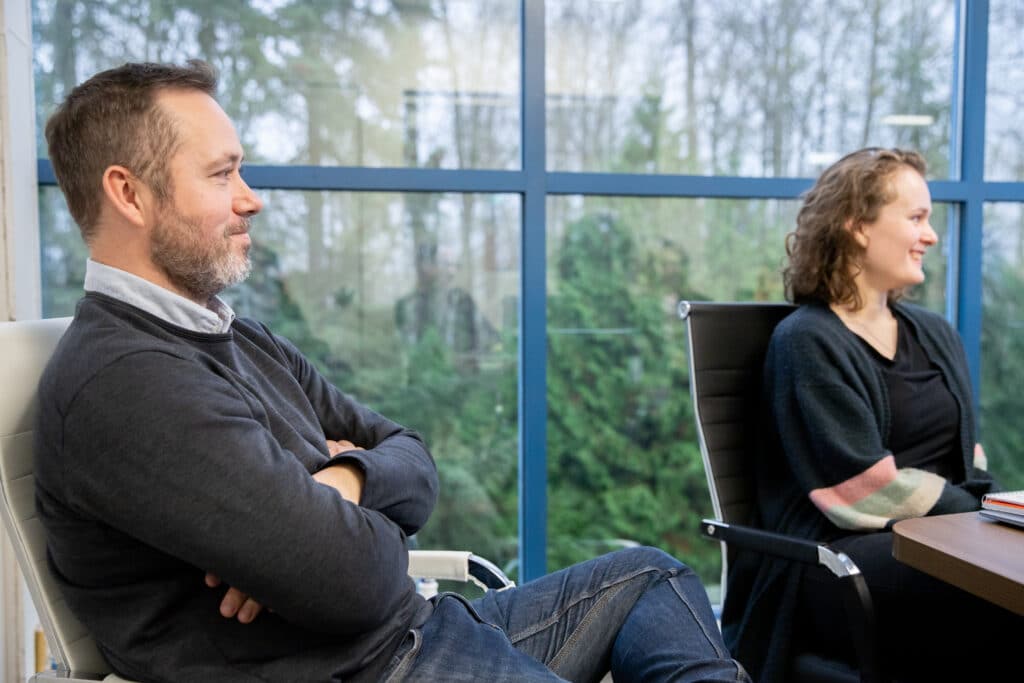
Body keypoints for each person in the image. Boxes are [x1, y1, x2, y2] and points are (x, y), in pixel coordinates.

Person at [34, 60, 748, 683]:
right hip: (365, 666)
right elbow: (359, 582)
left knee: (652, 574)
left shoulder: (235, 336)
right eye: (222, 174)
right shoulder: (126, 383)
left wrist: (343, 483)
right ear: (129, 193)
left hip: (414, 633)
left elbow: (412, 453)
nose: (251, 197)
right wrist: (334, 523)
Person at [722, 147, 1020, 682]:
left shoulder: (935, 335)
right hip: (838, 558)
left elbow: (967, 459)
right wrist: (975, 518)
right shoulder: (807, 341)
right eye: (916, 218)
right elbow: (859, 489)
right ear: (858, 225)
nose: (930, 235)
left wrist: (992, 515)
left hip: (942, 537)